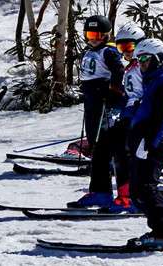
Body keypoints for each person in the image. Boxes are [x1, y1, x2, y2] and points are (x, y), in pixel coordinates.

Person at [79, 24, 146, 212]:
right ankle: (100, 192)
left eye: (129, 47)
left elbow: (151, 94)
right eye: (121, 48)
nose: (126, 52)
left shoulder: (145, 68)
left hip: (138, 118)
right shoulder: (131, 68)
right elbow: (127, 94)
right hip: (126, 115)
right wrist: (113, 97)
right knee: (101, 147)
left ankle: (129, 196)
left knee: (122, 151)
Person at [126, 39, 163, 247]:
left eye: (144, 59)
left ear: (158, 58)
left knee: (146, 188)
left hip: (154, 141)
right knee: (136, 190)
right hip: (143, 140)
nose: (140, 64)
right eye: (138, 60)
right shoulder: (153, 79)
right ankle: (158, 230)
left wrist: (149, 143)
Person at [66, 12, 126, 184]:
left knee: (101, 132)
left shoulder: (108, 51)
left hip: (102, 96)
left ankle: (106, 162)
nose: (93, 39)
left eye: (97, 36)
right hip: (90, 96)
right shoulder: (90, 51)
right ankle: (96, 160)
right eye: (90, 35)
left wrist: (114, 91)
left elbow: (118, 71)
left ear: (106, 35)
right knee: (91, 131)